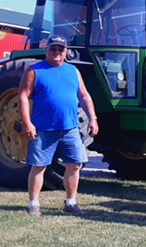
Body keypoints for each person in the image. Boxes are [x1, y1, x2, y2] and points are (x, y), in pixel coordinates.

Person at [18, 35, 99, 216]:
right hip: (42, 128)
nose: (56, 52)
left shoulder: (73, 71)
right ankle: (33, 204)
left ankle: (71, 203)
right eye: (52, 49)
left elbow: (84, 96)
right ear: (46, 50)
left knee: (74, 164)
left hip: (70, 128)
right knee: (39, 166)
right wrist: (27, 123)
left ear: (66, 52)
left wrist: (92, 117)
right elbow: (23, 96)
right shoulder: (34, 71)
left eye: (60, 49)